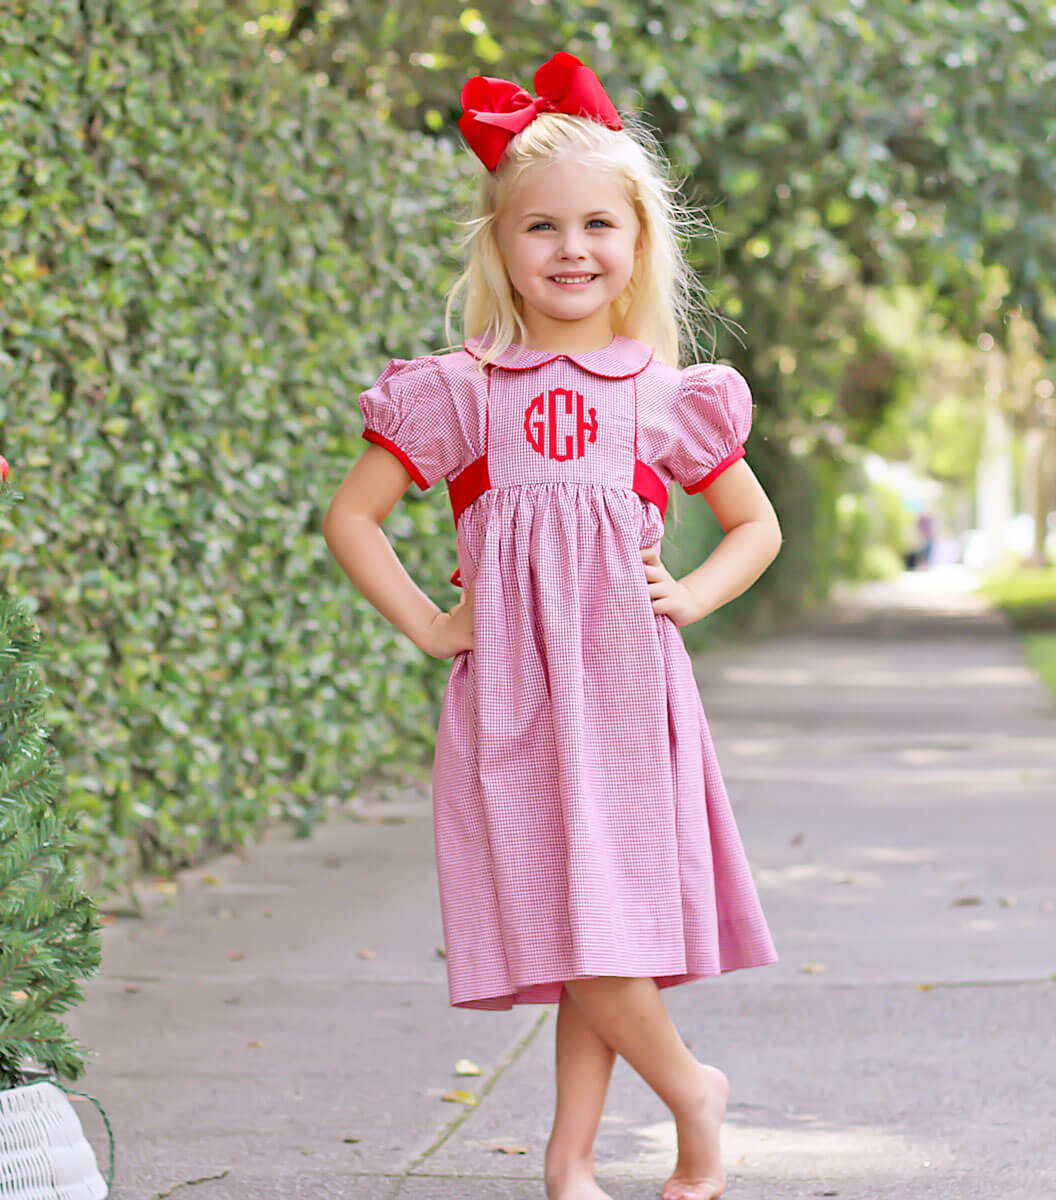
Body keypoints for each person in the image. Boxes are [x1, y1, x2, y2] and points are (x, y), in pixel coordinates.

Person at [323, 50, 782, 1200]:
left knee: (606, 928)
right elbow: (353, 519)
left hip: (629, 693)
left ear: (636, 245)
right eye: (541, 228)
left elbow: (752, 527)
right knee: (571, 923)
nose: (571, 249)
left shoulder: (663, 396)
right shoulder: (463, 389)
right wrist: (436, 626)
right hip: (515, 700)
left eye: (597, 225)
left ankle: (576, 1157)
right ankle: (682, 1096)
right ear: (500, 244)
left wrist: (695, 594)